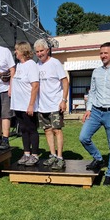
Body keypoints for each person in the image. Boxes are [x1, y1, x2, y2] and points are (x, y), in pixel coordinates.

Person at [79, 42, 110, 185]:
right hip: (95, 111)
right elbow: (92, 92)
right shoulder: (96, 72)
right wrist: (88, 109)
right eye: (101, 53)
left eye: (105, 53)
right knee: (83, 137)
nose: (103, 56)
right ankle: (99, 159)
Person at [34, 38, 69, 171]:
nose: (39, 53)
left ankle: (60, 157)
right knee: (47, 131)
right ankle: (52, 155)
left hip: (55, 104)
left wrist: (64, 100)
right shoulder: (37, 65)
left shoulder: (55, 63)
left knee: (57, 130)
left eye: (41, 50)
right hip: (42, 105)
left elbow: (65, 82)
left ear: (47, 50)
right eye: (37, 51)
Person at [11, 41, 40, 166]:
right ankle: (26, 153)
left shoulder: (31, 65)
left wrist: (31, 104)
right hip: (18, 104)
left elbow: (35, 85)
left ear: (23, 51)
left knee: (31, 129)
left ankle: (34, 155)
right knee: (23, 129)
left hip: (28, 104)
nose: (15, 52)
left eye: (16, 50)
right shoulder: (19, 66)